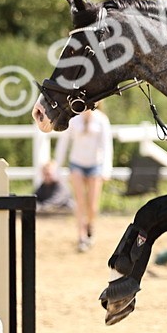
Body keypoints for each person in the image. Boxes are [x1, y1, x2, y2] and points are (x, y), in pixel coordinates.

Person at [54, 105, 113, 251]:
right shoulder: (73, 119)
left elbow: (107, 145)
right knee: (80, 202)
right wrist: (58, 166)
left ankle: (89, 226)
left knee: (92, 205)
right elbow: (63, 143)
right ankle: (81, 236)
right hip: (77, 164)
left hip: (95, 165)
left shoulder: (101, 119)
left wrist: (106, 169)